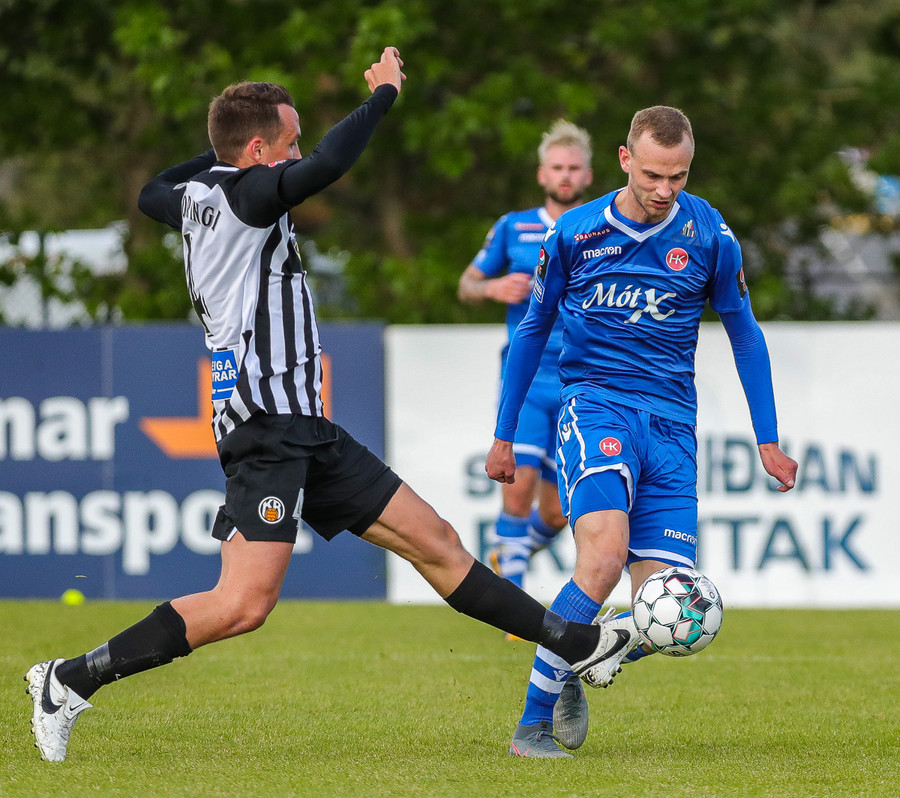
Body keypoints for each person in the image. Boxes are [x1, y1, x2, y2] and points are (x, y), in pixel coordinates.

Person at [24, 47, 627, 764]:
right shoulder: (250, 195)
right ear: (258, 153)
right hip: (267, 429)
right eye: (288, 142)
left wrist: (224, 146)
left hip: (302, 427)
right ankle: (67, 680)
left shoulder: (193, 197)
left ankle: (578, 645)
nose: (298, 153)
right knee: (243, 604)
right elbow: (330, 165)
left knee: (435, 542)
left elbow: (152, 188)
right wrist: (382, 97)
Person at [485, 105, 798, 758]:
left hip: (673, 428)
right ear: (625, 159)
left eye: (678, 177)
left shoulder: (710, 234)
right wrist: (504, 434)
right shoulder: (575, 232)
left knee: (674, 609)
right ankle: (531, 726)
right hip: (596, 407)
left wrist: (767, 437)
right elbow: (532, 330)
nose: (664, 190)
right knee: (602, 557)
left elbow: (744, 333)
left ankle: (576, 654)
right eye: (653, 175)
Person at [458, 121, 593, 599]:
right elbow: (467, 284)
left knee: (556, 513)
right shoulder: (513, 227)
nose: (565, 175)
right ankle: (512, 605)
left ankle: (508, 553)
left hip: (582, 380)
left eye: (573, 168)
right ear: (542, 174)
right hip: (529, 380)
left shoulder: (602, 227)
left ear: (588, 176)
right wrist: (493, 287)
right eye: (557, 167)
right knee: (517, 489)